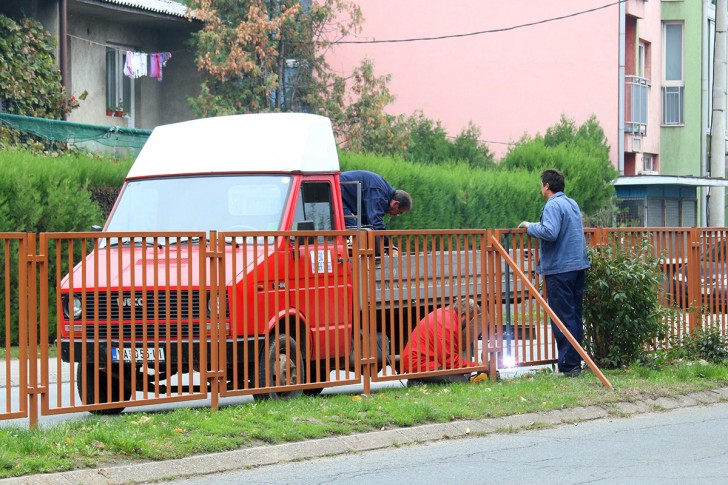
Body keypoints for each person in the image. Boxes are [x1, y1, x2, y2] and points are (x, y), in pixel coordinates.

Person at [518, 169, 590, 377]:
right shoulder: (571, 203)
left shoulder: (552, 205)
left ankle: (568, 367)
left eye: (542, 184)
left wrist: (530, 226)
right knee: (575, 316)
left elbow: (550, 232)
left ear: (546, 186)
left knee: (562, 318)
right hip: (577, 265)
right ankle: (576, 363)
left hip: (560, 269)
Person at [402, 297, 488, 386]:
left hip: (422, 361)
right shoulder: (448, 325)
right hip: (421, 363)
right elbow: (450, 361)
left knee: (460, 377)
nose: (470, 323)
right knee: (461, 382)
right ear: (463, 315)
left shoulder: (446, 315)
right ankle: (417, 382)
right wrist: (477, 365)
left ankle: (418, 380)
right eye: (470, 318)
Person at [339, 170, 412, 255]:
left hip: (340, 192)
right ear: (396, 203)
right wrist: (390, 246)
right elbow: (375, 223)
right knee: (356, 229)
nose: (396, 215)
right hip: (335, 190)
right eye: (399, 212)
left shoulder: (383, 193)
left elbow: (367, 222)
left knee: (361, 230)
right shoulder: (378, 193)